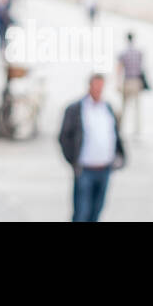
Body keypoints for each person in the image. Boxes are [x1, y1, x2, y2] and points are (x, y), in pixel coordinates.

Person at [58, 73, 127, 222]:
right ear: (89, 86)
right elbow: (64, 137)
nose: (98, 90)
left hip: (105, 169)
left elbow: (114, 134)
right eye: (96, 86)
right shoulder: (76, 109)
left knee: (96, 212)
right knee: (81, 213)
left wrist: (119, 156)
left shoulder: (107, 108)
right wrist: (73, 161)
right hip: (85, 169)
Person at [116, 32, 145, 136]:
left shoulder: (123, 53)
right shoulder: (139, 52)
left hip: (127, 81)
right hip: (136, 81)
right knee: (136, 107)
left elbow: (119, 69)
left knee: (123, 106)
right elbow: (141, 68)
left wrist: (118, 83)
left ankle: (119, 128)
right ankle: (137, 129)